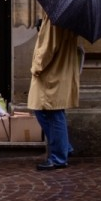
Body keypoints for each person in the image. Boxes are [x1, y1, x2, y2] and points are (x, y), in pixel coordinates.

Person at [27, 12, 79, 170]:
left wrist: (36, 67)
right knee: (51, 111)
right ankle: (64, 148)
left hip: (51, 73)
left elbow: (48, 48)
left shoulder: (54, 17)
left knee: (50, 111)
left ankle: (58, 157)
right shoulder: (68, 16)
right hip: (60, 70)